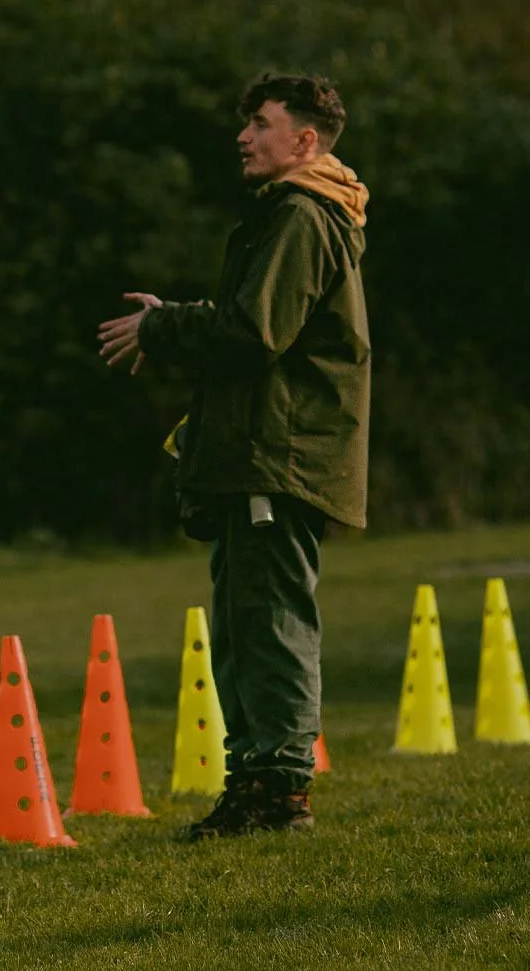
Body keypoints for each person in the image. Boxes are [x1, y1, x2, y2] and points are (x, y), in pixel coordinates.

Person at [97, 73, 371, 839]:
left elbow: (253, 336)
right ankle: (257, 783)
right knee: (249, 620)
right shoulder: (297, 214)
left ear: (304, 141)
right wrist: (177, 323)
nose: (243, 136)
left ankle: (277, 793)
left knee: (269, 621)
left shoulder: (301, 216)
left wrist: (165, 328)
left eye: (260, 123)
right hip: (265, 455)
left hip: (276, 457)